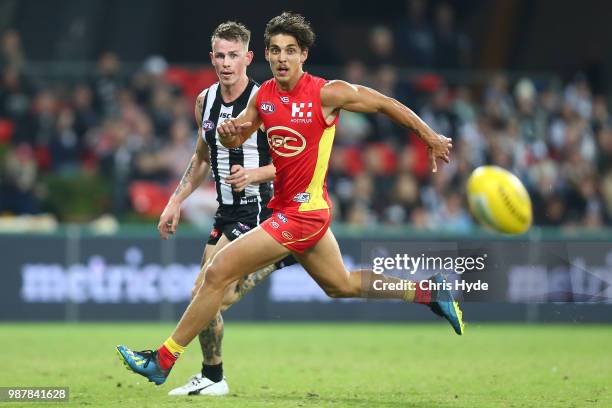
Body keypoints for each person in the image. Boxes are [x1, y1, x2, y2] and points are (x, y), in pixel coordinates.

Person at [117, 12, 462, 387]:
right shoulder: (264, 96)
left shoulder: (326, 93)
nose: (282, 58)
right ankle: (429, 291)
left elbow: (384, 103)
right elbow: (240, 134)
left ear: (304, 55)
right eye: (276, 51)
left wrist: (429, 136)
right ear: (266, 54)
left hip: (302, 215)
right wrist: (233, 134)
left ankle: (163, 360)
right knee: (341, 285)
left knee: (215, 274)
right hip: (291, 211)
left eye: (291, 51)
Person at [155, 21, 294, 396]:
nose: (227, 63)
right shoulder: (205, 101)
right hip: (226, 214)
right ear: (212, 57)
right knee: (210, 296)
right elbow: (202, 157)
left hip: (260, 211)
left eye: (234, 55)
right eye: (220, 55)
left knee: (205, 292)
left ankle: (211, 376)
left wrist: (252, 174)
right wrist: (175, 200)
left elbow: (292, 163)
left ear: (248, 58)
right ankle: (213, 377)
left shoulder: (265, 102)